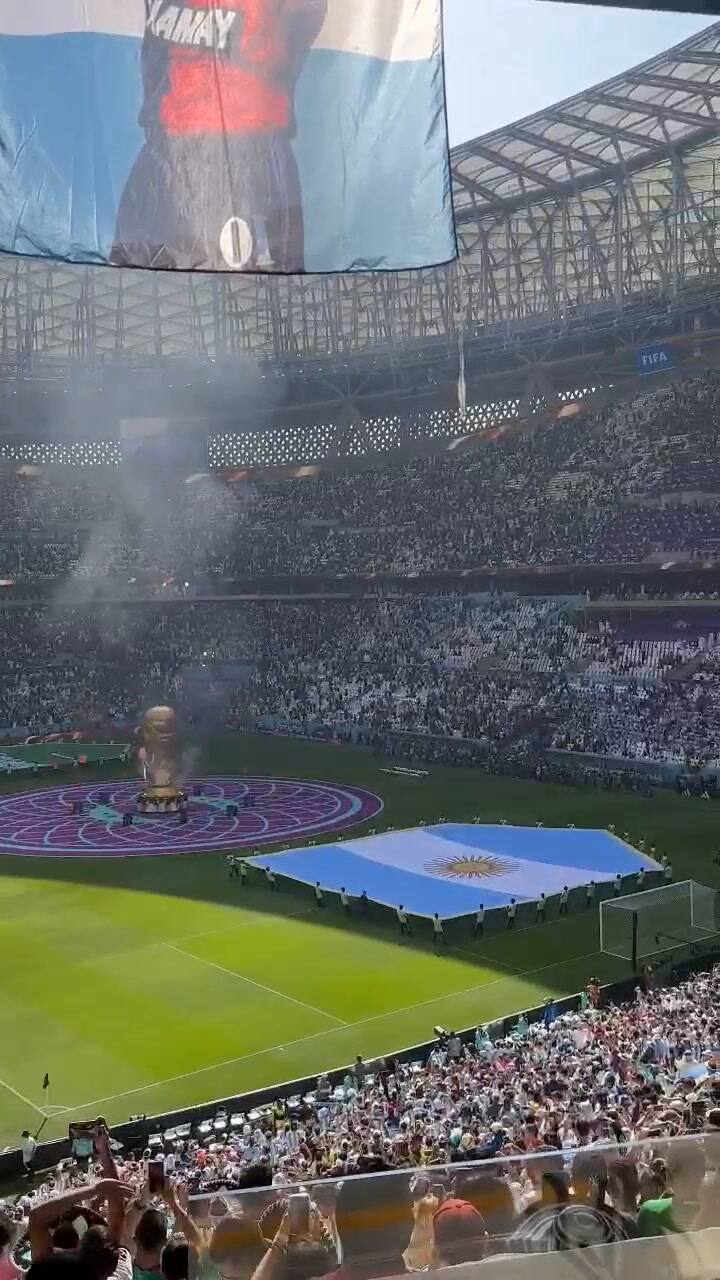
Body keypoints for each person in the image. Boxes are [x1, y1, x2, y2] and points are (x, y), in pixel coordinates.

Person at [111, 0, 329, 273]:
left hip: (247, 153)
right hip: (171, 150)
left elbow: (301, 26)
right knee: (137, 274)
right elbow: (154, 55)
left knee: (255, 286)